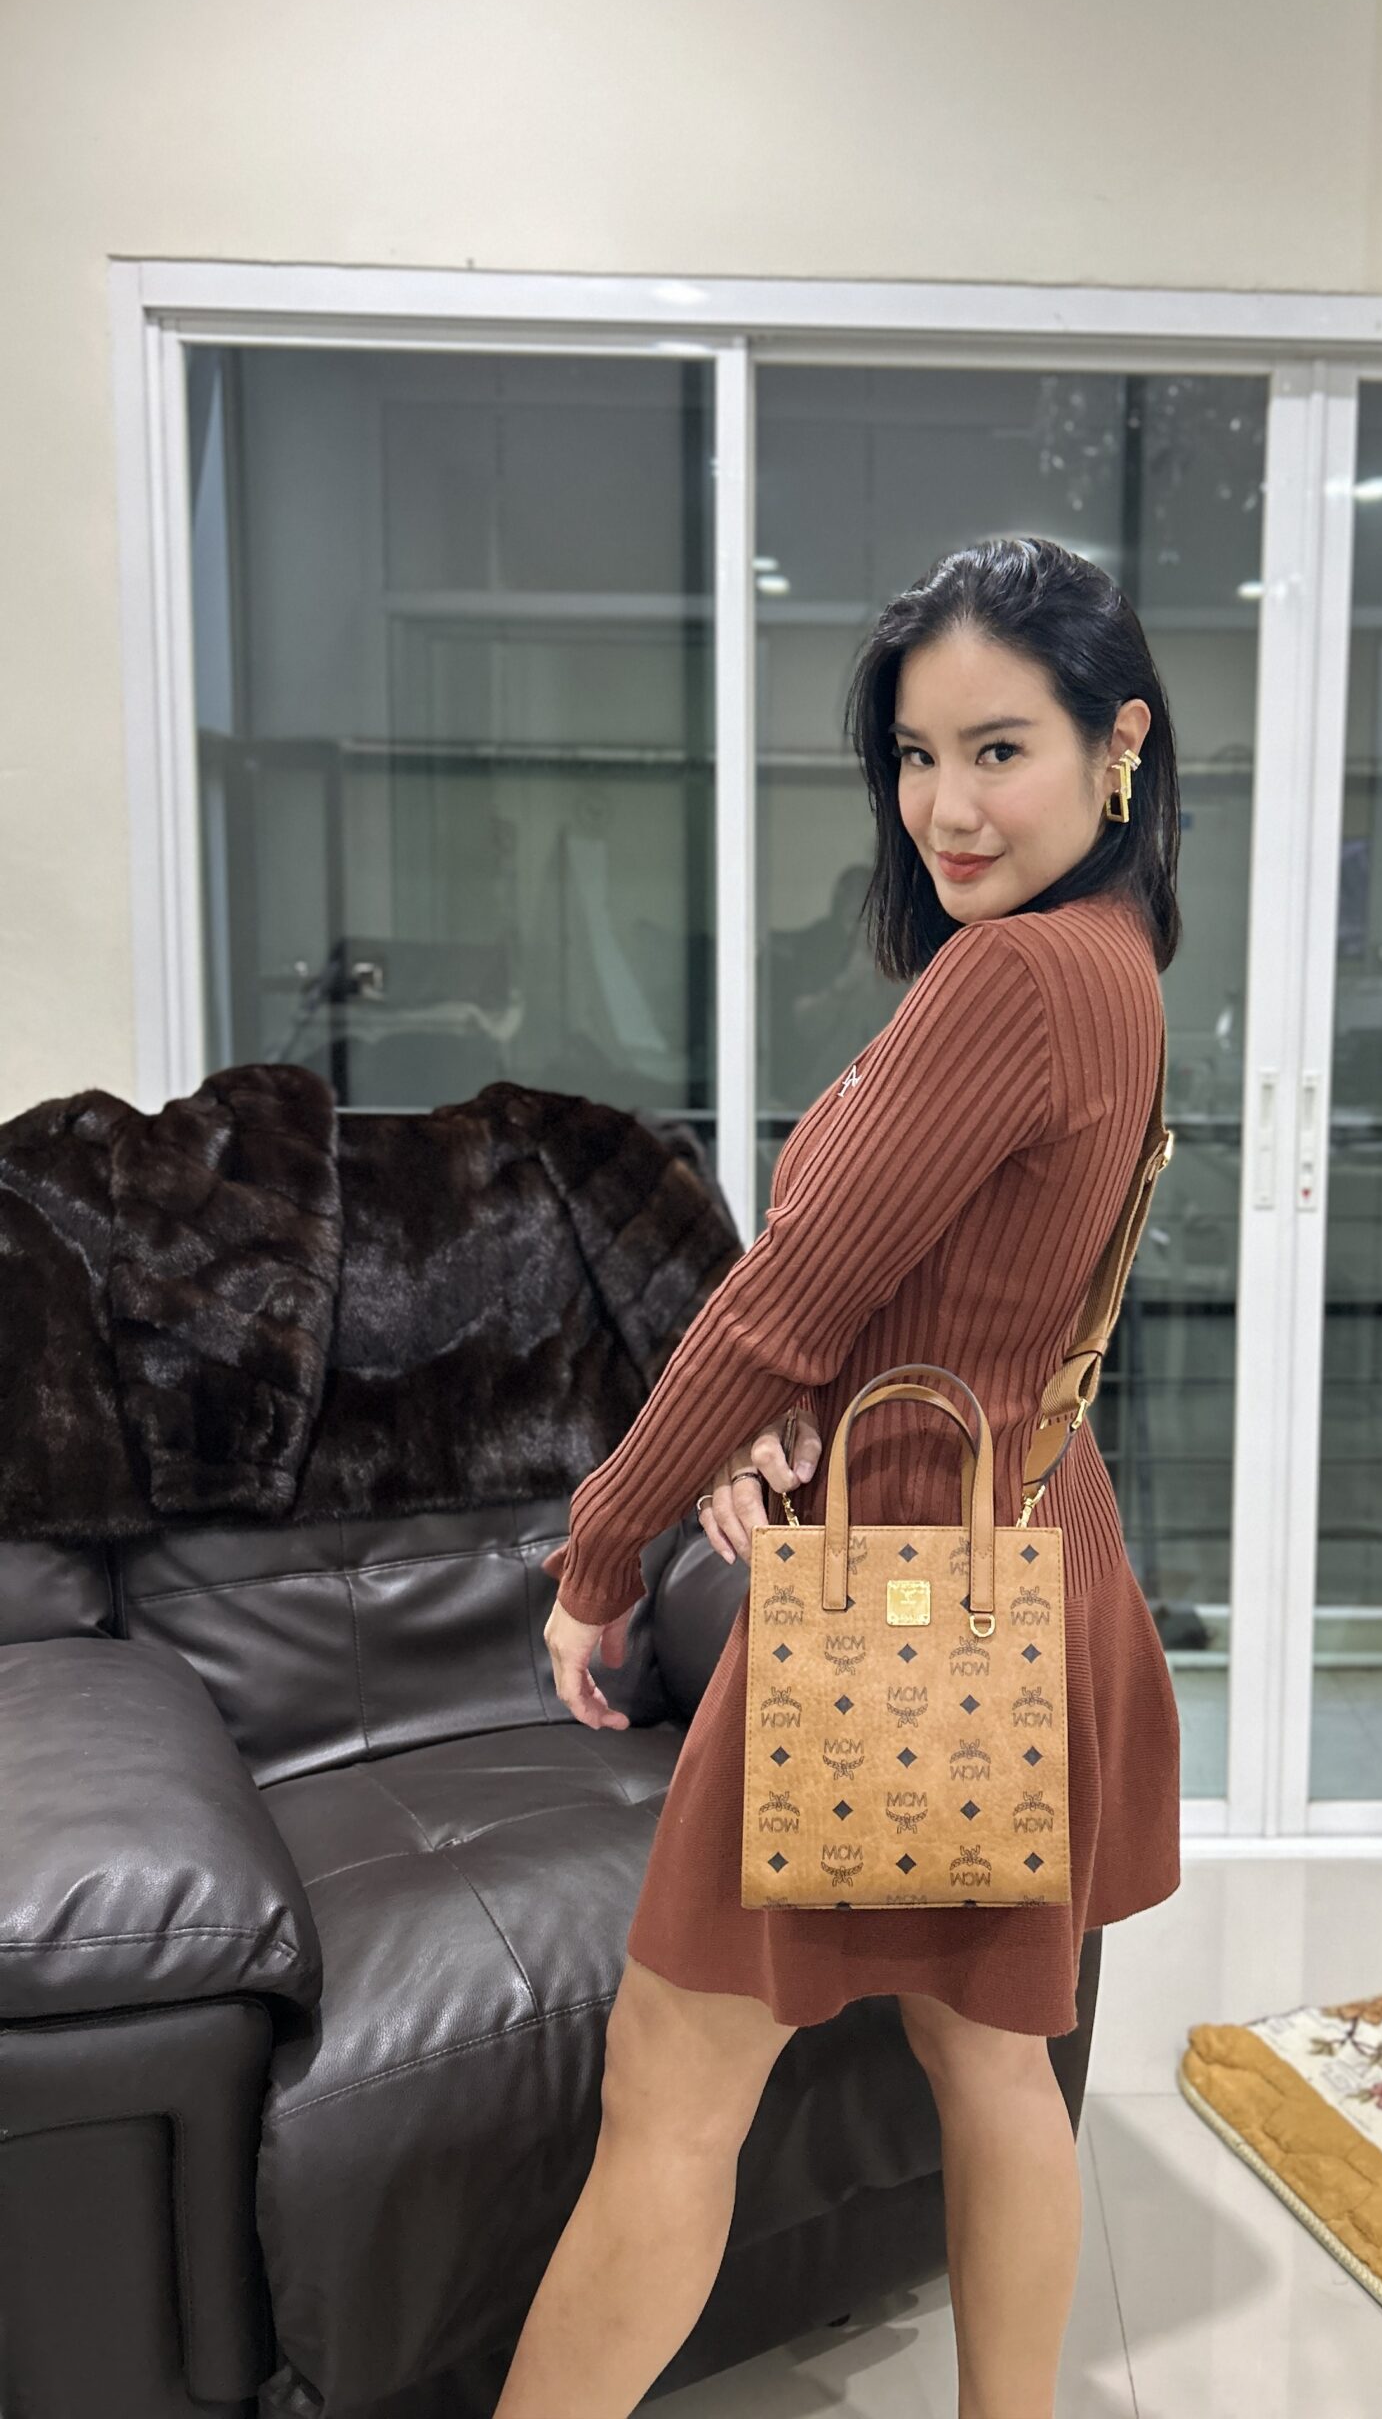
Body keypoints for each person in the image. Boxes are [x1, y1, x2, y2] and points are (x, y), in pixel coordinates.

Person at [497, 534, 1184, 2419]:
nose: (946, 807)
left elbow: (776, 1303)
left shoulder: (1013, 979)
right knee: (990, 2060)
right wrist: (811, 1400)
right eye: (914, 755)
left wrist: (600, 1552)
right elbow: (948, 1285)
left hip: (896, 1604)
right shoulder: (1114, 959)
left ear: (1119, 743)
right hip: (1015, 1550)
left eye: (999, 750)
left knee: (673, 2086)